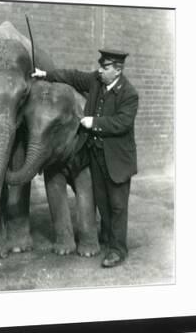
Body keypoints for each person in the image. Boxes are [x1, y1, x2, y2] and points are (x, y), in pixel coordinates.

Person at [32, 49, 139, 268]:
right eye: (100, 66)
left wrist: (94, 123)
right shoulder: (97, 81)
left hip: (117, 158)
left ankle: (118, 250)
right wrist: (45, 75)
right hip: (96, 156)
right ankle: (109, 238)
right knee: (103, 203)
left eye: (105, 67)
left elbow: (122, 123)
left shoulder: (129, 94)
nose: (100, 70)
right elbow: (72, 76)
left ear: (118, 70)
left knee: (118, 205)